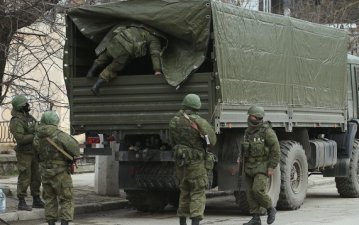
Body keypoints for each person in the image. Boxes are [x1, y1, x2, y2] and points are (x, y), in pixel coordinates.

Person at [169, 94, 217, 225]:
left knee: (184, 192)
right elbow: (212, 141)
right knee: (197, 192)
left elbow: (172, 142)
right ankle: (195, 221)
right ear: (197, 106)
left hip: (181, 163)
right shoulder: (199, 121)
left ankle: (182, 221)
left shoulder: (174, 121)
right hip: (196, 163)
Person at [33, 111, 80, 225]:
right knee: (66, 198)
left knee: (49, 199)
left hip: (45, 172)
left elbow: (36, 155)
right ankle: (64, 222)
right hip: (61, 172)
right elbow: (75, 149)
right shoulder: (60, 135)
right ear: (55, 122)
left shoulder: (37, 137)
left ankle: (51, 222)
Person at [87, 25, 163, 95]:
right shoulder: (154, 38)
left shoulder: (139, 26)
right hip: (126, 49)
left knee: (106, 55)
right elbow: (155, 54)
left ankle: (91, 72)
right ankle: (96, 86)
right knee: (113, 68)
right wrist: (157, 70)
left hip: (117, 39)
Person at [241, 105, 280, 225]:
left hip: (262, 166)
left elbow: (276, 150)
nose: (249, 118)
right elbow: (244, 149)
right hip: (248, 166)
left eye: (251, 116)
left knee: (257, 190)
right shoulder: (247, 132)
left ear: (258, 117)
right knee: (249, 193)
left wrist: (271, 166)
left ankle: (270, 208)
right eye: (249, 116)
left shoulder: (267, 132)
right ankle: (256, 218)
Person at [9, 95, 44, 211]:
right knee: (25, 176)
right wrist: (34, 135)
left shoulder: (29, 117)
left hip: (34, 151)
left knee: (36, 176)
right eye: (25, 104)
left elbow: (37, 126)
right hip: (24, 153)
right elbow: (20, 138)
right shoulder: (16, 121)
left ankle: (36, 199)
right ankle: (21, 201)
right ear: (20, 107)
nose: (27, 106)